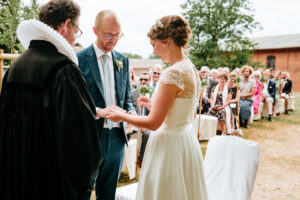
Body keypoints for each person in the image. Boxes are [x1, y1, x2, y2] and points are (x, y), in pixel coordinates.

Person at [0, 1, 101, 199]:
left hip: (15, 179)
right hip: (47, 183)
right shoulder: (64, 71)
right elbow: (80, 144)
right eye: (76, 30)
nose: (75, 37)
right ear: (66, 25)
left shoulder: (14, 67)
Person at [105, 15, 209, 200]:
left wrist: (122, 115)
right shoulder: (191, 69)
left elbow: (153, 123)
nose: (153, 51)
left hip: (168, 147)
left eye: (154, 44)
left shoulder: (173, 73)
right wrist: (155, 104)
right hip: (185, 141)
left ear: (167, 41)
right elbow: (185, 113)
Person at [76, 10, 136, 200]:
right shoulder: (78, 59)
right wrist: (98, 112)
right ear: (95, 30)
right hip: (91, 136)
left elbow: (126, 98)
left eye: (117, 35)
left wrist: (132, 113)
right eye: (108, 34)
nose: (113, 40)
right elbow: (76, 101)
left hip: (118, 138)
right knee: (83, 190)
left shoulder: (122, 60)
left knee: (108, 193)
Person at [130, 73, 153, 165]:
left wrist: (145, 123)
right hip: (133, 121)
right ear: (138, 80)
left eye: (146, 80)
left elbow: (154, 111)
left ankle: (142, 158)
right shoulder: (133, 93)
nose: (143, 81)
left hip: (147, 122)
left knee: (148, 134)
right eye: (141, 79)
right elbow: (129, 108)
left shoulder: (153, 93)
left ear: (149, 81)